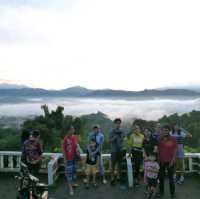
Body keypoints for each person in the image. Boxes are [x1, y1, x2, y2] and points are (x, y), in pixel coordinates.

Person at [158, 125, 177, 199]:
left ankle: (172, 193)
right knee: (161, 178)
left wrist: (173, 160)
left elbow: (175, 150)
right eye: (164, 130)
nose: (165, 131)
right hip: (161, 161)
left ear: (169, 131)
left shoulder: (173, 139)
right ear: (162, 131)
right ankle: (161, 192)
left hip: (170, 161)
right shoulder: (160, 139)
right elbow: (158, 150)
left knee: (171, 178)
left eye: (166, 130)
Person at [62, 126, 81, 196]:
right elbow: (63, 149)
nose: (73, 130)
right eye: (72, 129)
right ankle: (70, 188)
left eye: (73, 129)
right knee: (69, 173)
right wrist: (64, 159)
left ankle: (73, 184)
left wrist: (78, 151)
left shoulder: (74, 137)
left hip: (74, 158)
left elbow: (76, 146)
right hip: (68, 159)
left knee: (74, 171)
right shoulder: (65, 139)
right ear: (68, 130)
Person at [109, 118, 125, 185]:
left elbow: (123, 139)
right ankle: (112, 178)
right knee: (113, 165)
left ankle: (118, 177)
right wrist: (114, 138)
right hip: (114, 150)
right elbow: (109, 141)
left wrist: (122, 138)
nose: (118, 124)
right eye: (117, 123)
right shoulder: (111, 131)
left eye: (119, 123)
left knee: (119, 164)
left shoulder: (122, 131)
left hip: (120, 150)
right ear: (115, 124)